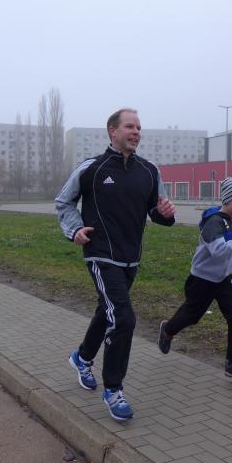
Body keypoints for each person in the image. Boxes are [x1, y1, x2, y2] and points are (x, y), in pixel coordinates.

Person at [56, 108, 176, 422]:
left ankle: (82, 358)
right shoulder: (92, 168)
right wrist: (74, 230)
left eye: (139, 127)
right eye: (129, 126)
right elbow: (64, 201)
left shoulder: (149, 171)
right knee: (123, 318)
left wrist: (165, 213)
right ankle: (113, 389)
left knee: (106, 310)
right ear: (113, 130)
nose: (136, 132)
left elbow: (157, 212)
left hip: (130, 258)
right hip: (100, 254)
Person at [157, 177, 232, 381]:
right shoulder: (215, 221)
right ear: (228, 199)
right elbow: (218, 251)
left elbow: (226, 248)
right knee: (191, 316)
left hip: (223, 278)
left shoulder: (231, 217)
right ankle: (167, 330)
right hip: (202, 279)